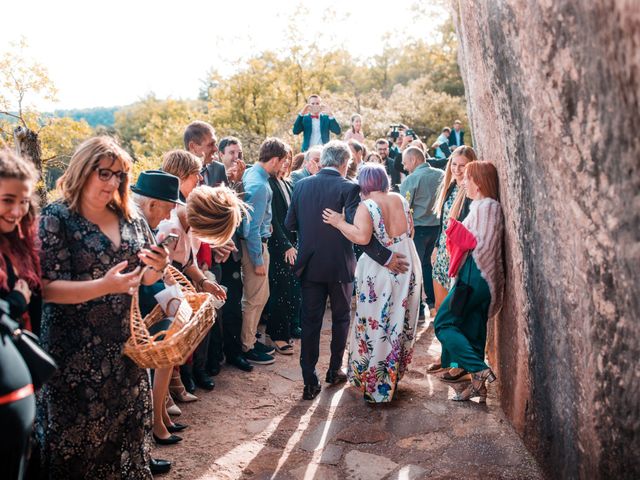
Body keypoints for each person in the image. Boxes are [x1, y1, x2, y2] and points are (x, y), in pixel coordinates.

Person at [37, 136, 170, 478]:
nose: (113, 182)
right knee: (77, 452)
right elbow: (47, 289)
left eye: (120, 176)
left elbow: (144, 276)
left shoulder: (131, 217)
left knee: (122, 444)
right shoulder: (57, 217)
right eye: (105, 173)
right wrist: (103, 286)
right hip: (73, 359)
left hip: (124, 353)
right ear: (83, 170)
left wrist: (158, 264)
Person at [285, 141, 410, 401]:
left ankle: (309, 381)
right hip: (340, 265)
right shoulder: (349, 188)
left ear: (322, 162)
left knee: (310, 323)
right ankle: (333, 371)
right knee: (341, 319)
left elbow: (290, 223)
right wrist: (386, 257)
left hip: (309, 265)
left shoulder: (300, 185)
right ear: (344, 164)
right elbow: (360, 233)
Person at [323, 163, 422, 403]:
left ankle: (376, 385)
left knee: (377, 324)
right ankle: (390, 378)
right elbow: (411, 230)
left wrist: (338, 222)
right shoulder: (399, 199)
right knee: (398, 322)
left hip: (380, 272)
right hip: (407, 263)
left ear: (363, 184)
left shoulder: (366, 207)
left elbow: (361, 237)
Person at [434, 161, 504, 402]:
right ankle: (478, 389)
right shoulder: (485, 207)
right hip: (482, 278)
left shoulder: (485, 207)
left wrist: (460, 235)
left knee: (443, 324)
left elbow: (480, 246)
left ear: (480, 182)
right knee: (474, 331)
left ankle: (477, 368)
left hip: (475, 275)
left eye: (468, 178)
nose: (464, 182)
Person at [158, 150, 226, 395]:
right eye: (196, 175)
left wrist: (203, 282)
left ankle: (189, 375)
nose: (200, 180)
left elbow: (189, 259)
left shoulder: (188, 210)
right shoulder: (170, 219)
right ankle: (175, 385)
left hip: (186, 273)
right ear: (181, 176)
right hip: (167, 277)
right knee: (173, 334)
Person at [130, 170, 185, 471]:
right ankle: (151, 439)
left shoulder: (145, 226)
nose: (171, 212)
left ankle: (154, 432)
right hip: (134, 315)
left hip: (147, 308)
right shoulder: (135, 226)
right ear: (151, 204)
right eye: (168, 205)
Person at [0, 149, 39, 480]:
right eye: (7, 200)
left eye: (23, 201)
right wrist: (13, 302)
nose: (16, 211)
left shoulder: (20, 242)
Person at [428, 146, 477, 380]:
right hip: (442, 256)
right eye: (454, 164)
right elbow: (443, 223)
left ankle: (459, 363)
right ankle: (446, 357)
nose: (457, 169)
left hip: (459, 257)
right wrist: (436, 247)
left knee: (456, 312)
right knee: (440, 311)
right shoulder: (449, 188)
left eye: (462, 165)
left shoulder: (470, 193)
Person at [240, 138, 290, 365]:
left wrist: (266, 222)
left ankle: (249, 339)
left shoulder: (252, 172)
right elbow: (249, 228)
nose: (283, 167)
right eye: (282, 162)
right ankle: (247, 346)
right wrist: (258, 259)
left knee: (261, 295)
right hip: (257, 246)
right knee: (255, 298)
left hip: (260, 238)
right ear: (276, 160)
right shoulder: (260, 185)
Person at [400, 147, 444, 318]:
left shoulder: (411, 179)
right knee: (429, 266)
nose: (404, 167)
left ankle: (418, 311)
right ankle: (433, 304)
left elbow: (404, 207)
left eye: (405, 162)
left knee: (415, 269)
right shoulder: (441, 174)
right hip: (438, 228)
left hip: (418, 230)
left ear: (414, 160)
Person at [265, 153, 301, 352]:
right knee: (279, 291)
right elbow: (273, 220)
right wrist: (286, 244)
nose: (286, 162)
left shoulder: (287, 183)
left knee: (288, 290)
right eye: (283, 158)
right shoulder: (269, 184)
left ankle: (283, 332)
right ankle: (277, 335)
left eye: (289, 158)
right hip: (278, 245)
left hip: (292, 245)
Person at [184, 121, 227, 186]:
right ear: (192, 146)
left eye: (215, 144)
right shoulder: (175, 173)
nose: (216, 149)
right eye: (211, 144)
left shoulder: (219, 169)